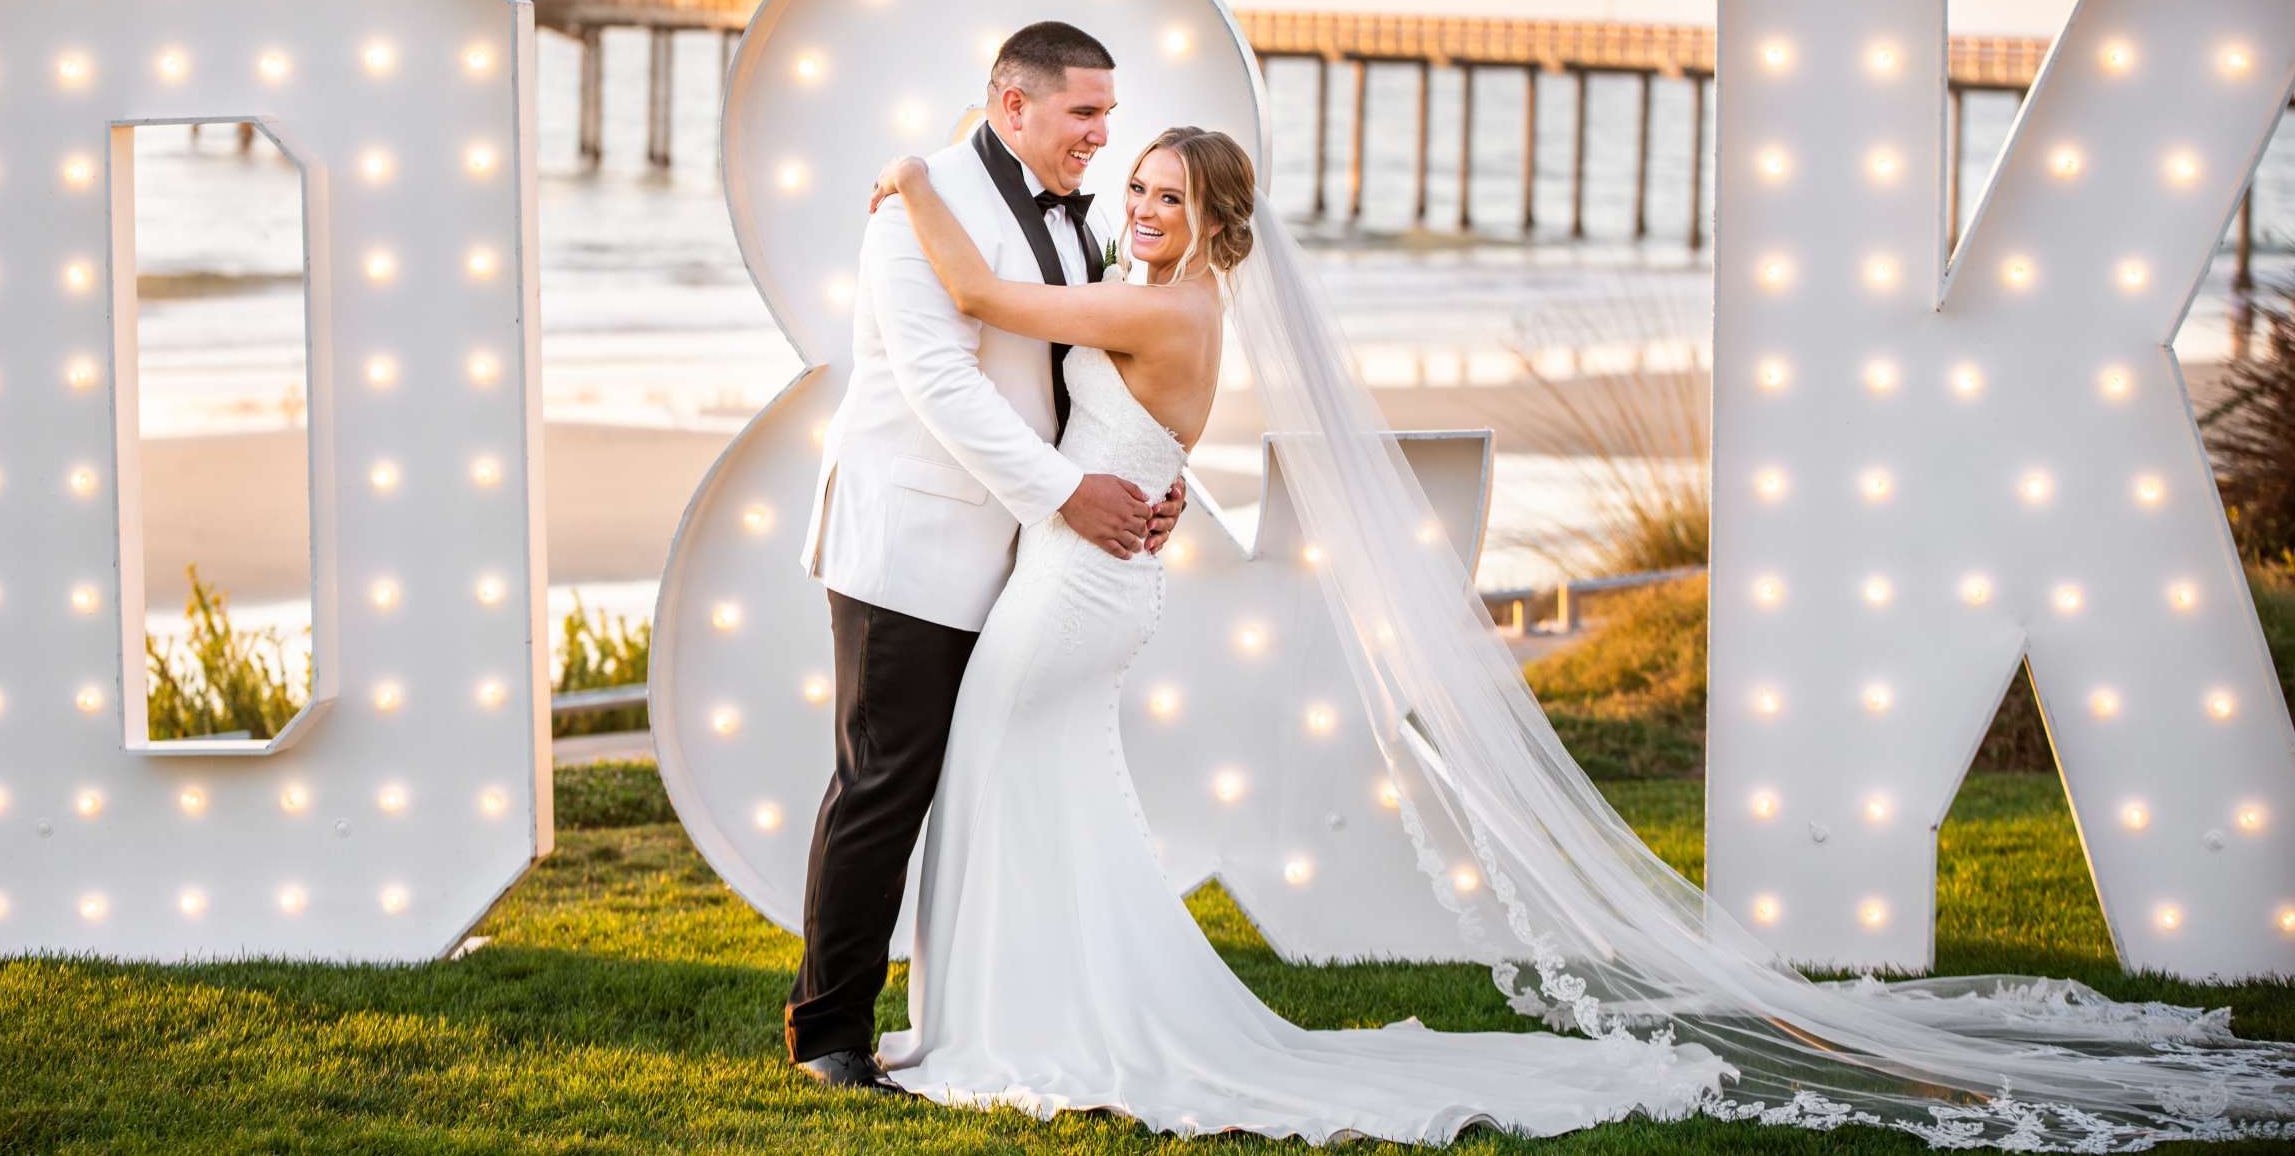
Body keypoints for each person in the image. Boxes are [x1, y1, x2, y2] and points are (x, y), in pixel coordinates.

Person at [857, 122, 2295, 1147]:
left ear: (1216, 218)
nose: (1144, 204)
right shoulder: (1171, 298)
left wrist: (914, 181)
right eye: (1138, 187)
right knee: (1042, 784)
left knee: (993, 762)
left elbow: (981, 296)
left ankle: (1019, 1020)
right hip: (1097, 575)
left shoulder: (1160, 308)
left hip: (1081, 584)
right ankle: (1020, 1010)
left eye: (1168, 191)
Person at [784, 21, 1186, 1089]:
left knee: (994, 786)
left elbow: (1072, 380)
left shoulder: (1072, 223)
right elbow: (940, 383)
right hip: (909, 540)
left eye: (1109, 112)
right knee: (886, 786)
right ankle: (827, 1031)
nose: (1103, 134)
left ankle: (997, 1011)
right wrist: (1068, 494)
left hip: (1023, 558)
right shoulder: (918, 211)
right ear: (1014, 105)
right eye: (1084, 113)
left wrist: (1147, 474)